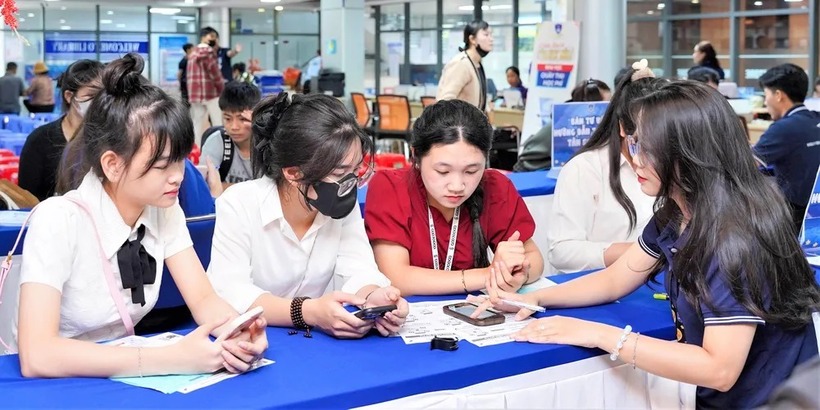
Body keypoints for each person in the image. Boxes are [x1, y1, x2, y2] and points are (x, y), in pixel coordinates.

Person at [473, 81, 820, 408]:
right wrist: (533, 298)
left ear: (689, 153)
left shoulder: (734, 237)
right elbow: (616, 278)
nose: (635, 158)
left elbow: (720, 370)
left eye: (648, 149)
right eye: (634, 144)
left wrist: (600, 335)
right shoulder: (678, 210)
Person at [15, 53, 267, 378]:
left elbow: (203, 298)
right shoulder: (57, 220)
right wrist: (172, 359)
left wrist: (237, 331)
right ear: (112, 164)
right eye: (163, 165)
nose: (178, 176)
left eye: (180, 159)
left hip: (121, 373)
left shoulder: (164, 210)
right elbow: (38, 355)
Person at [207, 92, 408, 338]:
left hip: (318, 345)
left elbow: (359, 268)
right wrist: (308, 312)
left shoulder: (340, 204)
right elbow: (230, 291)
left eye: (356, 170)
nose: (350, 184)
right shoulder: (239, 204)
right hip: (257, 341)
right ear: (293, 173)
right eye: (340, 172)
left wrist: (374, 296)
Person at [364, 99, 544, 296]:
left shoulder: (495, 187)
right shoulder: (390, 187)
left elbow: (533, 258)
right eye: (443, 171)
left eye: (471, 171)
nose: (457, 186)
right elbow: (397, 277)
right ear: (416, 157)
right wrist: (491, 275)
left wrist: (519, 275)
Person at [547, 61, 663, 273]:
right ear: (622, 127)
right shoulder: (584, 169)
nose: (651, 154)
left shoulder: (674, 163)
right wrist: (644, 252)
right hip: (597, 286)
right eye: (643, 141)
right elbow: (561, 251)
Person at [20, 60, 104, 201]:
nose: (99, 102)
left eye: (103, 95)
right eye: (92, 95)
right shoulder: (40, 140)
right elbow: (27, 198)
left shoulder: (110, 139)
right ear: (69, 96)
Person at [753, 63, 820, 233]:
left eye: (765, 94)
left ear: (778, 95)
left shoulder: (783, 129)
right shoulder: (815, 119)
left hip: (794, 221)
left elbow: (744, 164)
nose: (765, 101)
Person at [201, 80, 259, 187]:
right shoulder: (217, 142)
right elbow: (203, 186)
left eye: (242, 119)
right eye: (228, 119)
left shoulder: (268, 145)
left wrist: (222, 186)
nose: (234, 127)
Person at [436, 21, 493, 113]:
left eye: (491, 34)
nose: (491, 39)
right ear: (472, 39)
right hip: (460, 125)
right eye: (486, 35)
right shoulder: (461, 63)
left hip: (473, 124)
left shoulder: (477, 63)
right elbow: (445, 101)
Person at [187, 26, 225, 147]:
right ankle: (220, 146)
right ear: (203, 37)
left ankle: (196, 148)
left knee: (196, 123)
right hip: (211, 93)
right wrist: (222, 90)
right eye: (212, 37)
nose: (215, 40)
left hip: (195, 94)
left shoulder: (193, 54)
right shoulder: (208, 52)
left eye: (216, 37)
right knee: (218, 121)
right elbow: (215, 74)